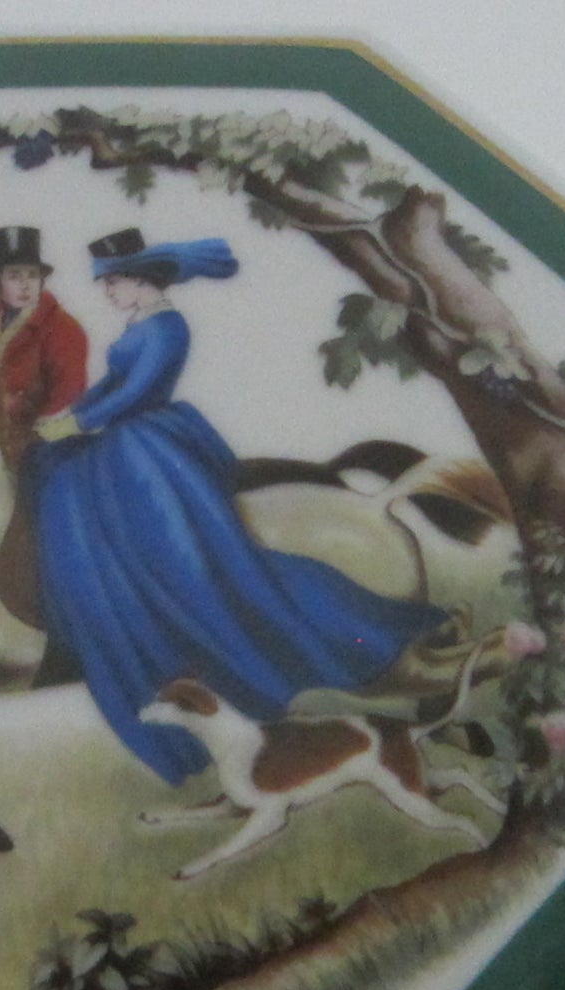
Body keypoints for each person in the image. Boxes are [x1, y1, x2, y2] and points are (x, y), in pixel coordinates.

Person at [27, 229, 445, 785]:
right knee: (56, 478)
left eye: (114, 282)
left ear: (141, 280)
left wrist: (80, 423)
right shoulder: (137, 322)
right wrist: (69, 415)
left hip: (147, 444)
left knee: (159, 540)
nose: (108, 292)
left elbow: (140, 391)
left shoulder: (168, 326)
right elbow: (112, 383)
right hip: (121, 435)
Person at [0, 226, 88, 439]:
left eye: (32, 275)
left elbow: (69, 393)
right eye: (14, 276)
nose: (25, 285)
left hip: (40, 434)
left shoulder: (63, 328)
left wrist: (19, 407)